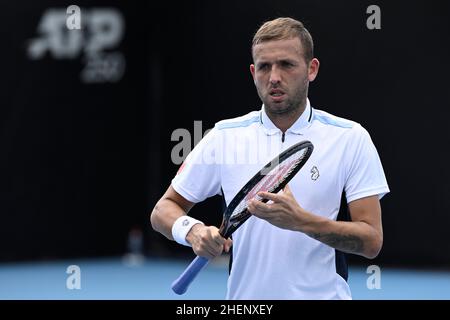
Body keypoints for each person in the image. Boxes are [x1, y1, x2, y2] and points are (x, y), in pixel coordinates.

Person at [151, 17, 389, 299]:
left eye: (286, 64)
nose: (274, 77)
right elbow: (163, 210)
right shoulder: (223, 136)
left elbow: (371, 241)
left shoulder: (351, 138)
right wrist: (193, 231)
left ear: (311, 69)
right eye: (264, 66)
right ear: (253, 72)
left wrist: (301, 221)